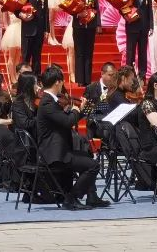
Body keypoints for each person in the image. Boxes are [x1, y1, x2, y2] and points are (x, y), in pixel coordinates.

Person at [35, 65, 107, 210]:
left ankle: (91, 196)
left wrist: (82, 111)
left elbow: (66, 119)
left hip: (60, 150)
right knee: (93, 166)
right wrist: (75, 110)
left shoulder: (51, 100)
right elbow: (68, 122)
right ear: (57, 82)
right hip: (54, 155)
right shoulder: (47, 102)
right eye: (62, 81)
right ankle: (71, 198)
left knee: (87, 154)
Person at [71, 0, 101, 86]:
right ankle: (80, 79)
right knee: (79, 52)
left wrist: (98, 24)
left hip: (91, 26)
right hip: (78, 26)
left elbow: (96, 8)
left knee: (89, 52)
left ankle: (88, 79)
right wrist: (77, 14)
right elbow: (69, 7)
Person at [123, 0, 153, 78]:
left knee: (143, 52)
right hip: (132, 26)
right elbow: (122, 7)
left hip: (144, 26)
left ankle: (142, 76)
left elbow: (149, 9)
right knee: (130, 53)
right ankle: (129, 77)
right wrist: (127, 17)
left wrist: (151, 26)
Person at [20, 0, 50, 74]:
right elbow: (16, 8)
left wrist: (47, 29)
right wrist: (21, 15)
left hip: (40, 29)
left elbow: (46, 12)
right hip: (28, 28)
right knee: (26, 56)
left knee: (37, 56)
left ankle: (37, 78)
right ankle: (25, 78)